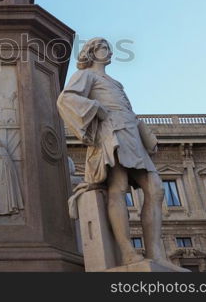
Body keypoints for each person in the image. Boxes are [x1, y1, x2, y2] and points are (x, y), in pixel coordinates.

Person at [57, 38, 167, 266]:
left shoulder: (116, 83)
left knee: (156, 189)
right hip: (112, 133)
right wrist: (95, 108)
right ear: (91, 52)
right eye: (103, 48)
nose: (108, 52)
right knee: (118, 187)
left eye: (108, 48)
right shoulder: (86, 75)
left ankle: (155, 254)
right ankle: (127, 251)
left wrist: (146, 136)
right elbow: (66, 98)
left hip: (131, 133)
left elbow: (130, 111)